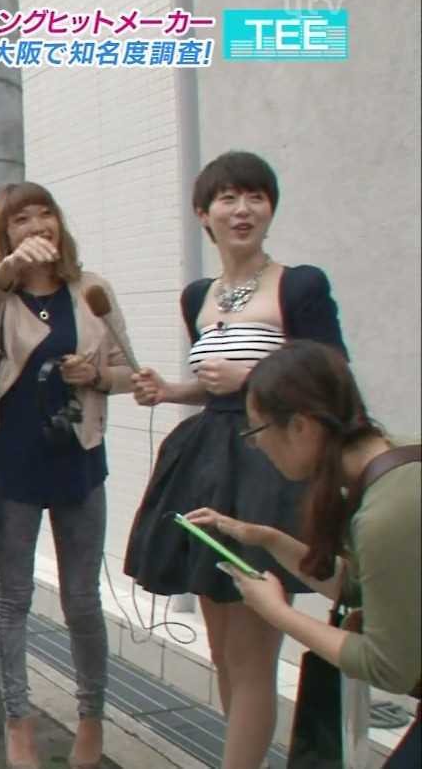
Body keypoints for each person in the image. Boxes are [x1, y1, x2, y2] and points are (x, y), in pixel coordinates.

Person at [123, 151, 348, 769]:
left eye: (255, 197)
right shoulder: (199, 295)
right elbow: (215, 388)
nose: (242, 210)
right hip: (206, 466)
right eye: (227, 198)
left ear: (271, 208)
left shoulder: (299, 285)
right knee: (224, 652)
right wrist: (171, 389)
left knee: (252, 658)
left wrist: (249, 376)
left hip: (267, 472)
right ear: (204, 213)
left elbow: (330, 376)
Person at [186, 340, 420, 769]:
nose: (257, 446)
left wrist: (276, 612)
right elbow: (354, 585)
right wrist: (269, 540)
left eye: (256, 432)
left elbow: (388, 667)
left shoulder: (387, 513)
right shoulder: (392, 455)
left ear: (300, 427)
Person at [0, 182, 135, 769]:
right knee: (12, 598)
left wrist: (95, 375)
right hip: (13, 461)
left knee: (82, 600)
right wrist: (11, 266)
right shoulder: (2, 295)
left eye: (45, 214)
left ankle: (92, 718)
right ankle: (18, 721)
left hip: (78, 456)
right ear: (6, 233)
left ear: (59, 222)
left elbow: (126, 371)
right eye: (22, 219)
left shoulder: (90, 290)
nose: (38, 225)